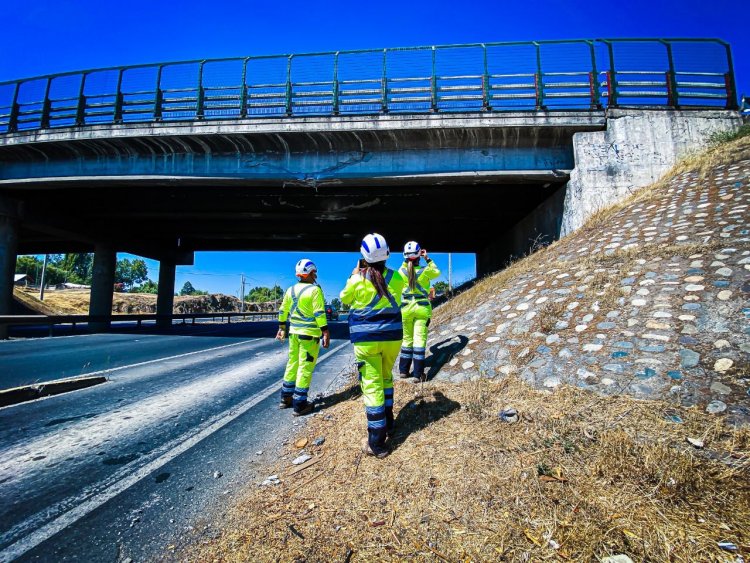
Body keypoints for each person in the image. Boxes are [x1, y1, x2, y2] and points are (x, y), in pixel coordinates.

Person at [340, 233, 405, 458]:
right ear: (387, 254)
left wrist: (354, 274)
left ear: (363, 256)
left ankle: (376, 442)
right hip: (393, 338)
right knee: (386, 377)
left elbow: (345, 298)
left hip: (366, 340)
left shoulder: (357, 280)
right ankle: (389, 422)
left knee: (372, 385)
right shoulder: (397, 278)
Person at [276, 258, 330, 416]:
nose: (316, 275)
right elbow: (319, 313)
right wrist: (325, 332)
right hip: (309, 335)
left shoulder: (290, 290)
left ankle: (285, 398)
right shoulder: (315, 290)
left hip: (294, 334)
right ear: (311, 273)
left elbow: (282, 311)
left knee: (292, 363)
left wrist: (282, 328)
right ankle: (300, 404)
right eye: (315, 272)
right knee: (305, 367)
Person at [398, 241, 440, 382]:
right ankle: (417, 374)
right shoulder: (425, 271)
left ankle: (403, 371)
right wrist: (427, 258)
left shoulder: (400, 272)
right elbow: (436, 271)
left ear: (404, 256)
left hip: (406, 309)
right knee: (419, 340)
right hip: (422, 309)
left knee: (407, 340)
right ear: (418, 256)